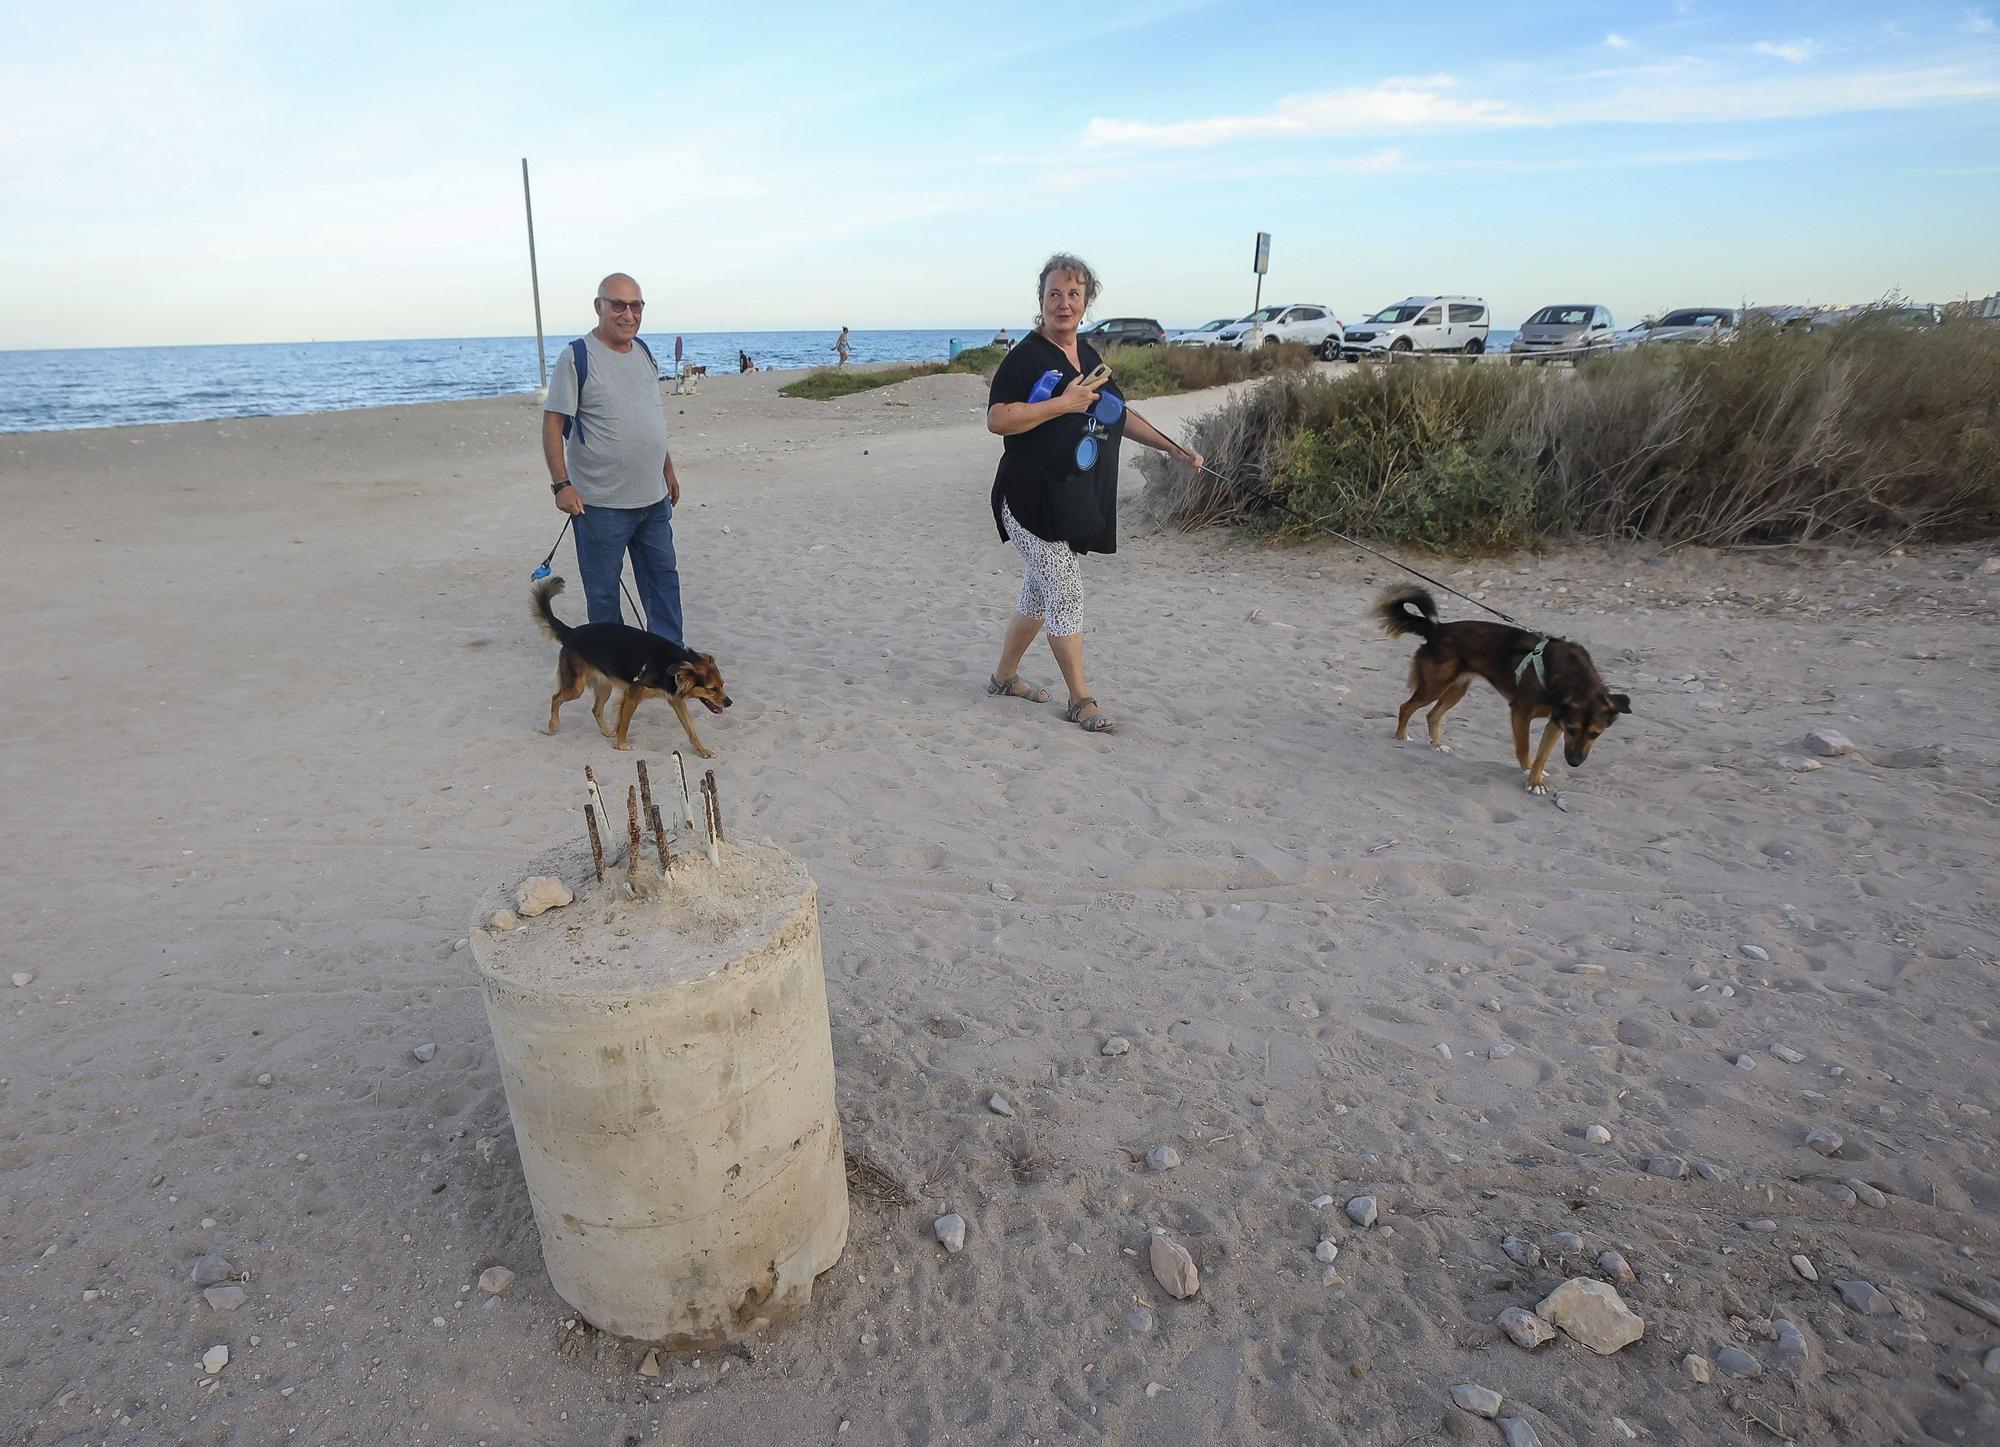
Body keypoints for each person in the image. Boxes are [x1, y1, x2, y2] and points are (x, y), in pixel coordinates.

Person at [985, 253, 1201, 734]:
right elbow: (998, 419)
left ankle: (1003, 678)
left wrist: (1174, 450)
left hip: (1067, 493)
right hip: (1026, 495)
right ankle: (1081, 699)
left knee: (1040, 593)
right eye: (1055, 294)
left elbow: (1119, 414)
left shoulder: (1089, 356)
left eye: (1074, 295)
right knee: (1064, 587)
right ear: (1041, 301)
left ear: (1087, 303)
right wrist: (1064, 404)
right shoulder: (1024, 357)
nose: (1064, 303)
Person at [540, 273, 686, 644]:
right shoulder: (577, 357)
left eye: (635, 305)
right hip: (600, 505)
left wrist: (667, 470)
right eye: (618, 305)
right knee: (604, 596)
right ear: (599, 306)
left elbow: (652, 419)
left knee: (663, 582)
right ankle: (615, 665)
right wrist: (562, 485)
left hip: (652, 500)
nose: (628, 314)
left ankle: (667, 658)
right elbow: (553, 422)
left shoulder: (645, 353)